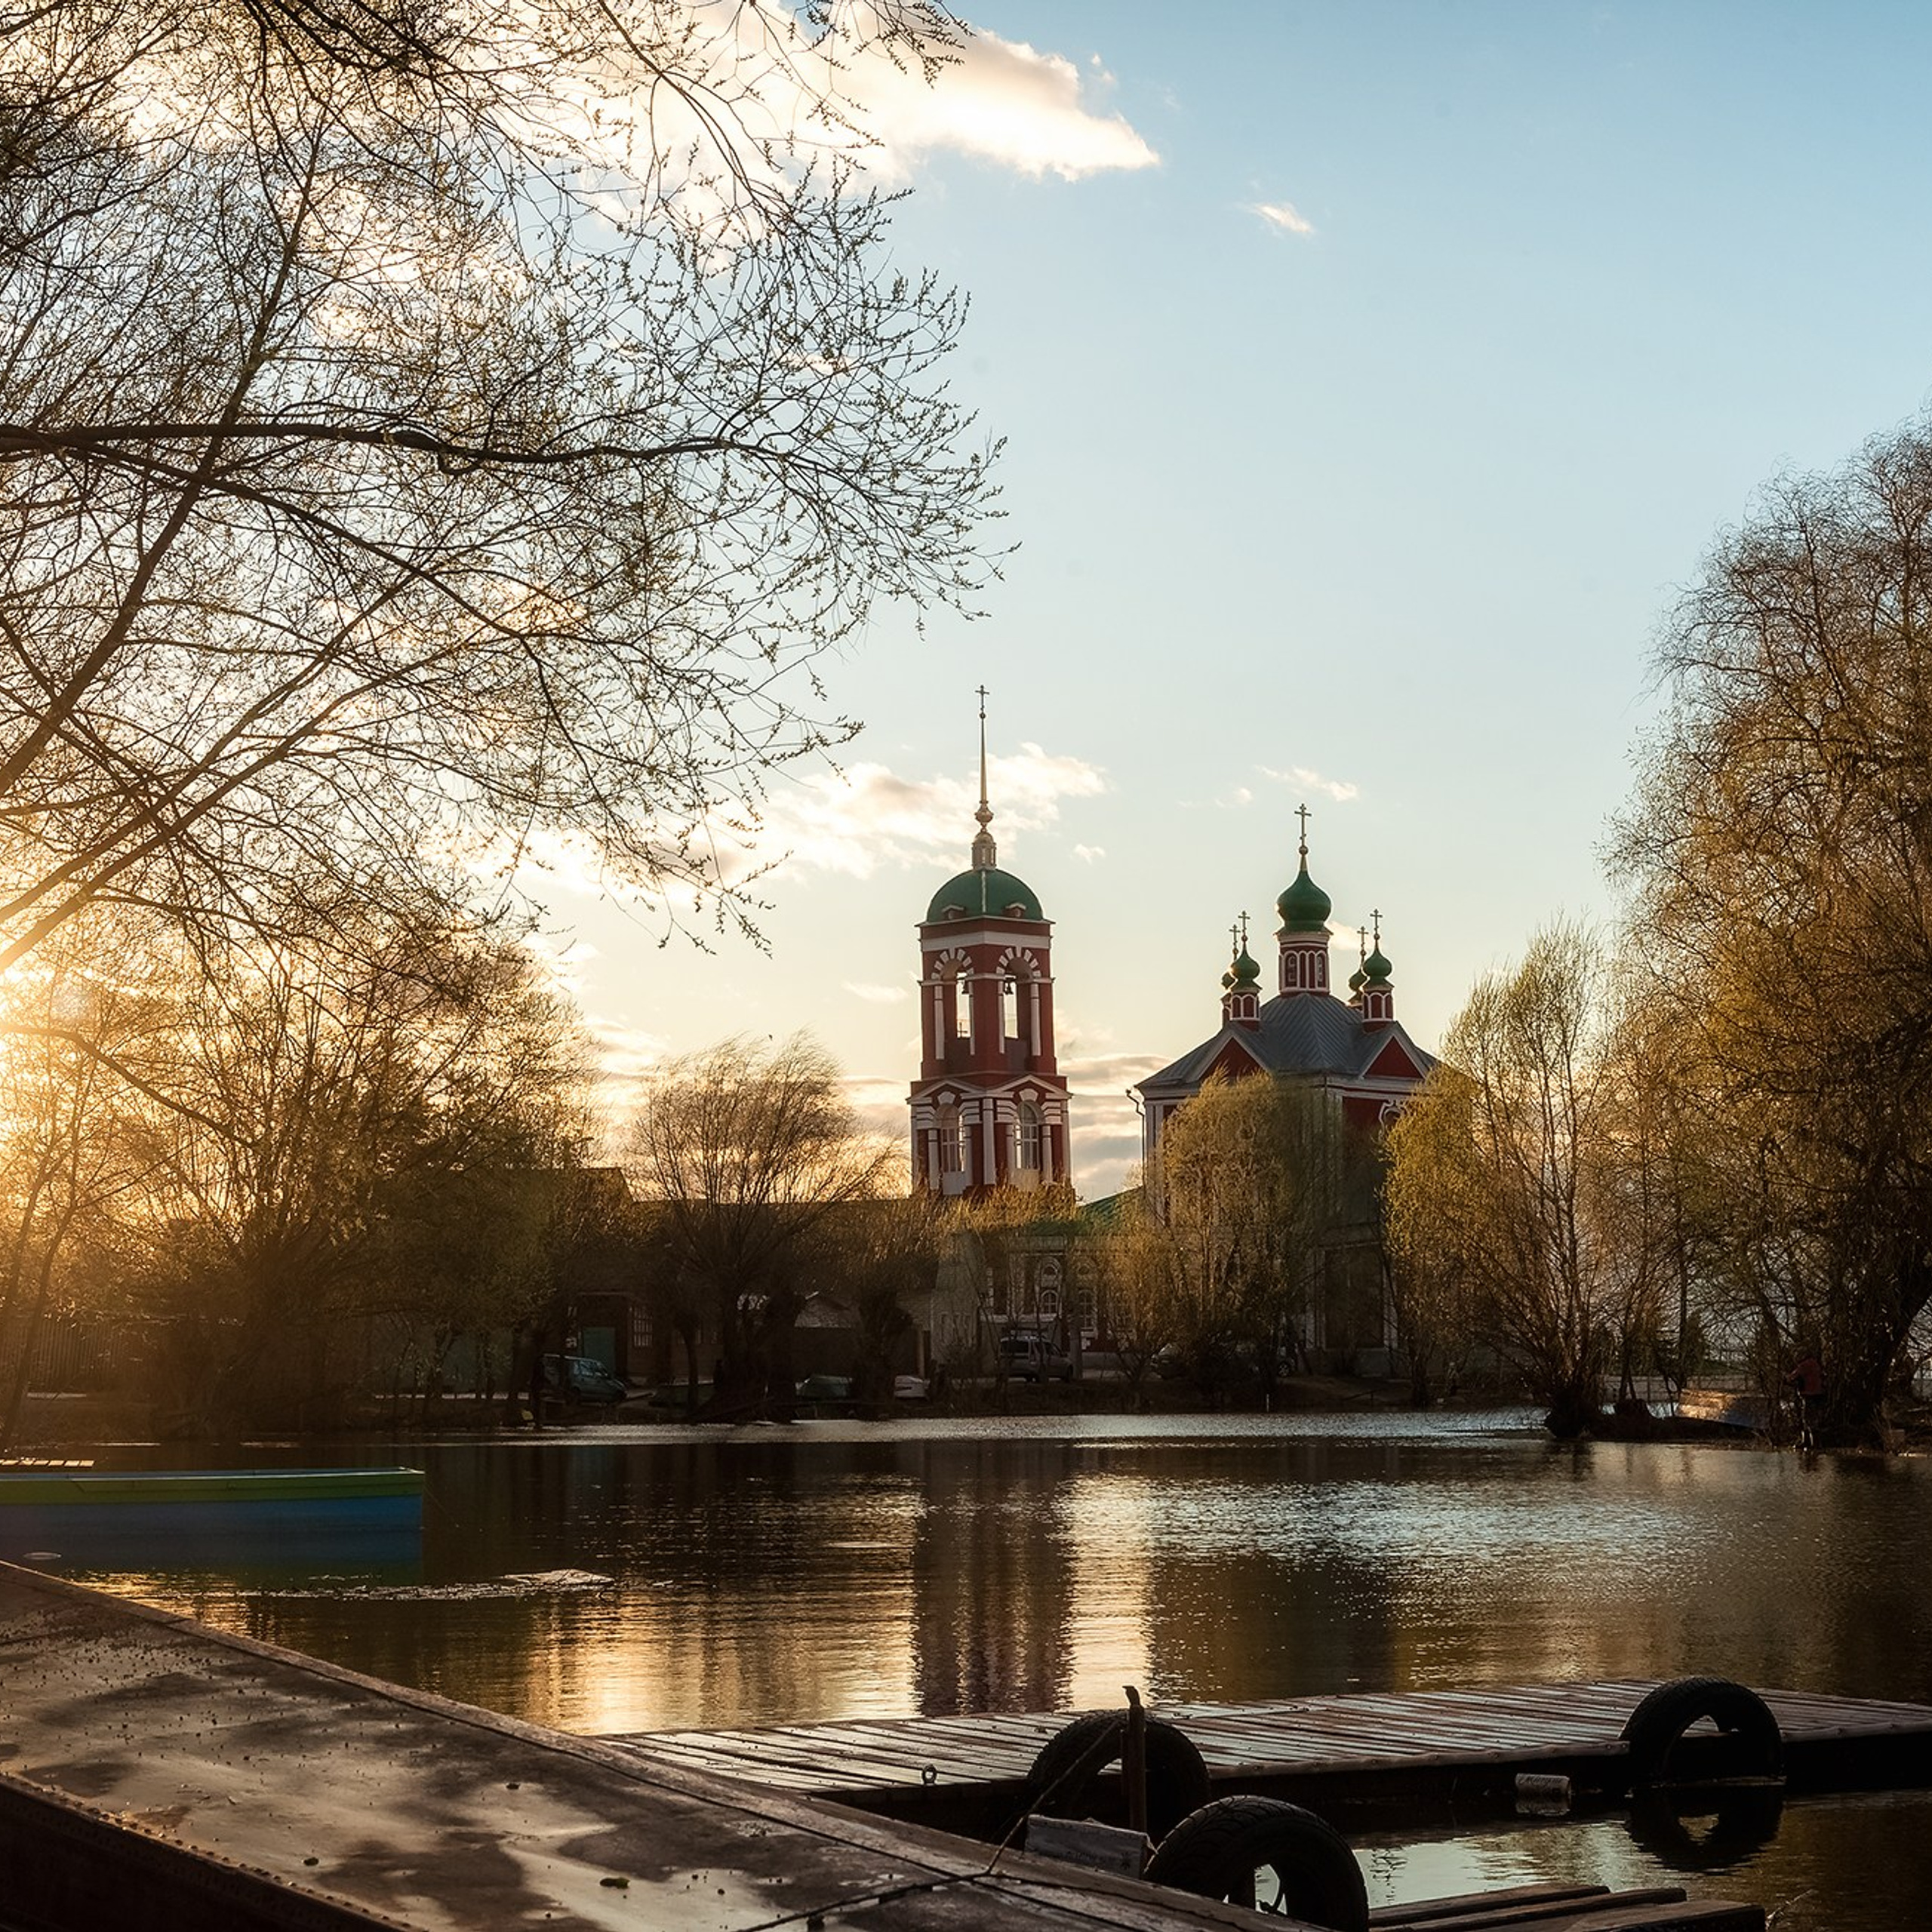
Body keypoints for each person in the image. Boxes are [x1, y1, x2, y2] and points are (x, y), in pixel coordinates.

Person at [1786, 1349, 1826, 1451]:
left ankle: (1810, 1443)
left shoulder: (1804, 1366)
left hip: (1808, 1395)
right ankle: (1813, 1443)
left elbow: (1792, 1377)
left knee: (1807, 1419)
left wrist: (1786, 1378)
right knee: (1814, 1418)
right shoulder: (1816, 1364)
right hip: (1818, 1394)